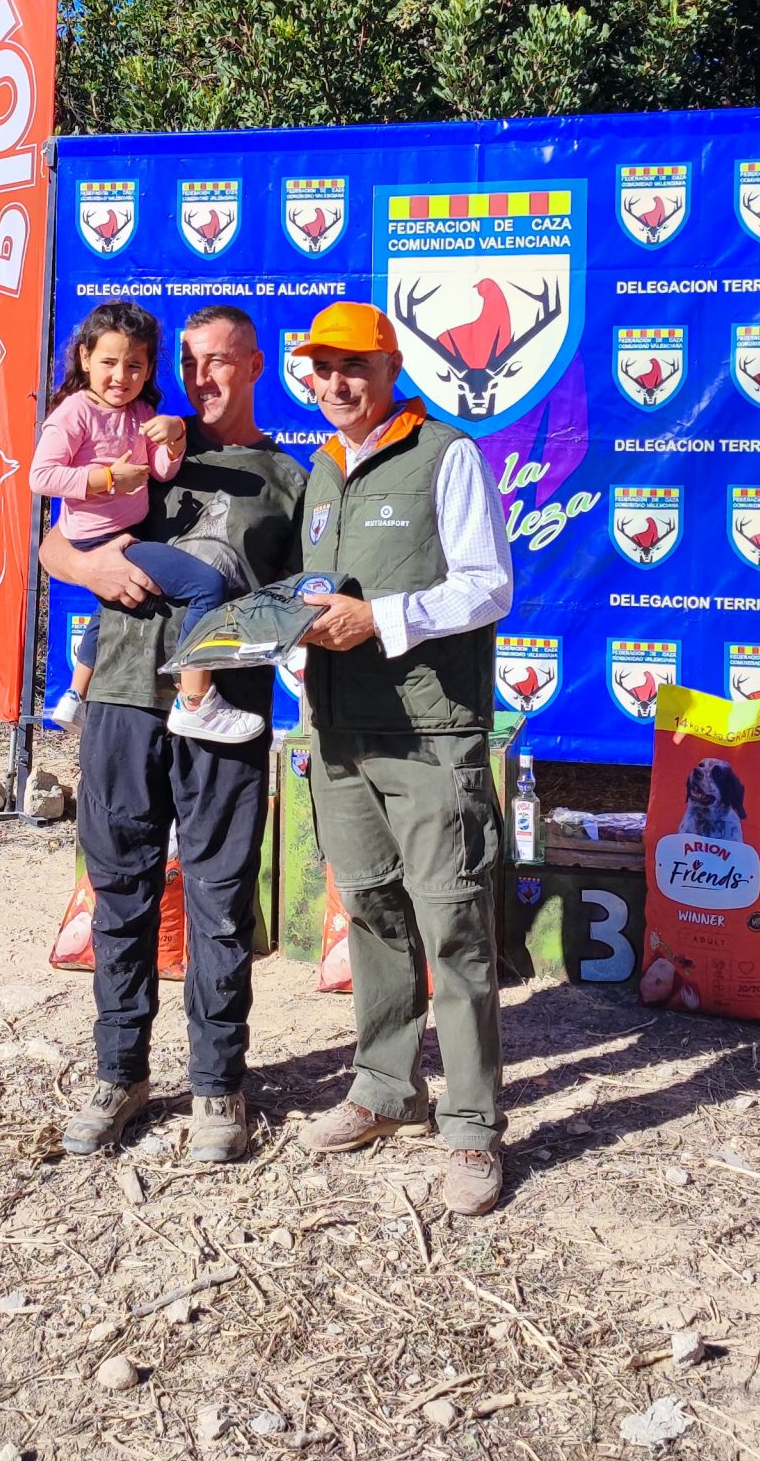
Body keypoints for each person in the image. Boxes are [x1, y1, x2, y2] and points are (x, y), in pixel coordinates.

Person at [38, 305, 307, 1163]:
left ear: (255, 366)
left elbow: (304, 595)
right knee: (121, 892)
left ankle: (218, 1084)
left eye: (218, 361)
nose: (201, 378)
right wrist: (88, 565)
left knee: (221, 901)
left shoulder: (289, 479)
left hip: (225, 713)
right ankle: (119, 1074)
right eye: (188, 363)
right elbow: (54, 544)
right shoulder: (145, 440)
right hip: (123, 696)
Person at [289, 301, 516, 1216]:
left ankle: (472, 1127)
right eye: (322, 368)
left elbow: (488, 586)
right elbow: (317, 592)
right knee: (374, 914)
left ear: (392, 369)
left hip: (429, 733)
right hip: (339, 734)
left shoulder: (445, 454)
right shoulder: (321, 470)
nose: (337, 383)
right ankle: (387, 1089)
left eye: (355, 366)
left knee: (454, 927)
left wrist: (379, 620)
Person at [30, 298, 259, 745]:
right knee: (207, 586)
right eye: (109, 363)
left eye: (134, 366)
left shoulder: (141, 413)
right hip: (98, 538)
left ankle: (74, 696)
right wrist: (105, 479)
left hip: (121, 534)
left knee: (107, 610)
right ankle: (195, 700)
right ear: (85, 358)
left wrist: (173, 440)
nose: (121, 377)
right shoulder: (75, 412)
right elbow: (41, 476)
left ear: (150, 368)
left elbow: (162, 471)